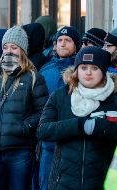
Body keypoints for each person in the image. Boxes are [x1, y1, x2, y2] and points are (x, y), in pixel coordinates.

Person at [38, 46, 117, 190]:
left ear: (104, 71)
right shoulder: (60, 96)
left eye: (94, 68)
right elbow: (43, 130)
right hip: (63, 181)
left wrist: (98, 127)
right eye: (83, 67)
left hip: (102, 181)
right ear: (76, 70)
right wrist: (79, 125)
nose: (88, 72)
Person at [0, 25, 48, 190]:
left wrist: (24, 127)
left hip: (20, 152)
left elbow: (43, 112)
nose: (9, 51)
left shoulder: (34, 78)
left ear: (23, 50)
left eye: (14, 47)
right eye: (5, 47)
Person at [38, 26, 81, 190]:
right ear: (54, 45)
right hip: (47, 142)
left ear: (76, 45)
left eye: (68, 40)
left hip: (72, 138)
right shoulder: (45, 70)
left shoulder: (82, 70)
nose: (63, 44)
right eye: (60, 41)